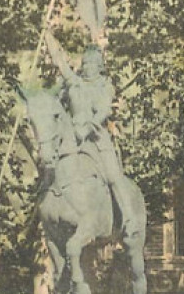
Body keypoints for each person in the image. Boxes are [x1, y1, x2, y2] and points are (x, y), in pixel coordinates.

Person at [43, 28, 138, 234]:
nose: (87, 68)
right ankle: (43, 211)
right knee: (50, 171)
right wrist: (48, 37)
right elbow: (60, 63)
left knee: (113, 175)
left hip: (96, 138)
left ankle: (128, 216)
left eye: (91, 64)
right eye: (84, 64)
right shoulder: (75, 83)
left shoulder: (105, 86)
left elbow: (104, 110)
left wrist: (87, 128)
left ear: (99, 66)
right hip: (72, 139)